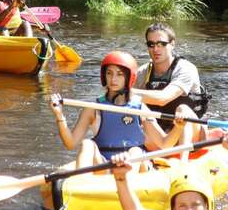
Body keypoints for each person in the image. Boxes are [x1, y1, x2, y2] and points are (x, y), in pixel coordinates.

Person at [49, 51, 192, 172]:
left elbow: (164, 144)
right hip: (104, 163)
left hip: (134, 165)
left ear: (129, 78)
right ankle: (79, 187)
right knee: (87, 144)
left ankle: (126, 184)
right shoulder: (93, 108)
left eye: (119, 74)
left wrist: (179, 127)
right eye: (109, 73)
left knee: (135, 151)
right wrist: (59, 115)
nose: (113, 79)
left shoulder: (139, 108)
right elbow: (71, 143)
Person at [132, 22, 211, 145]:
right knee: (139, 109)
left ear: (172, 44)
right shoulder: (143, 72)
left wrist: (127, 92)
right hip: (161, 134)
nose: (155, 49)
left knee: (183, 109)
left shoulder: (186, 69)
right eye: (151, 44)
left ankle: (183, 160)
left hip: (190, 132)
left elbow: (163, 98)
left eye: (161, 44)